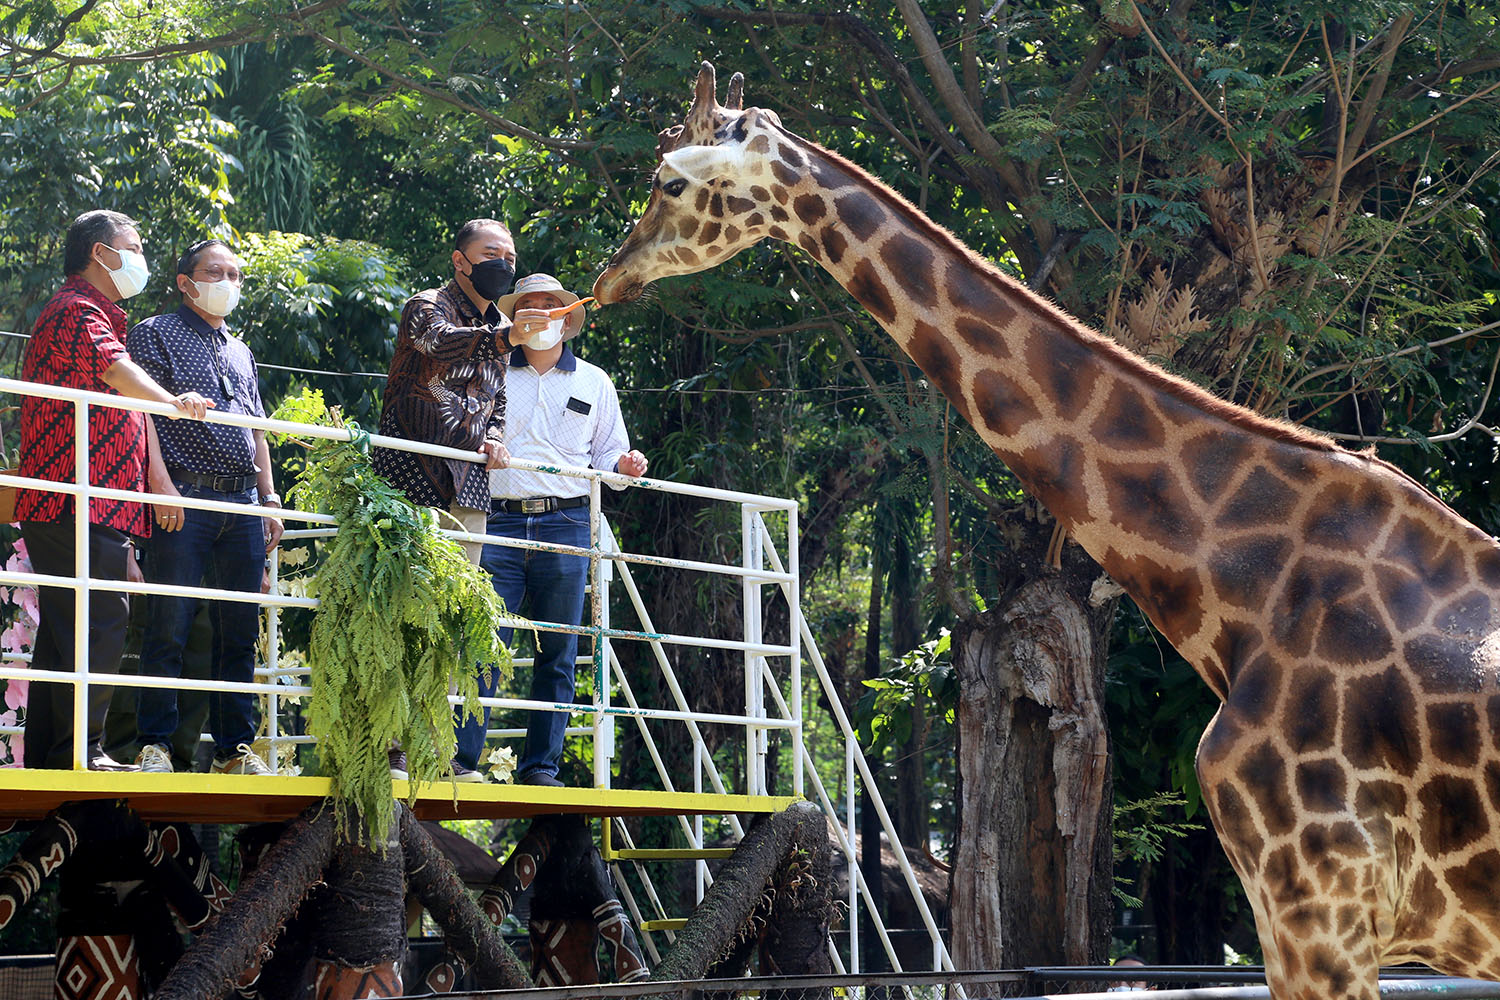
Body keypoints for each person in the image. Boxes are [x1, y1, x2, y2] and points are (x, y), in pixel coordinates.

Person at [14, 209, 211, 771]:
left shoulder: (91, 312)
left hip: (86, 499)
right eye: (135, 244)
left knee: (65, 633)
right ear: (101, 253)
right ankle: (83, 751)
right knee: (99, 623)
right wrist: (175, 401)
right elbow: (120, 373)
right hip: (77, 497)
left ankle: (57, 755)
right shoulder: (77, 310)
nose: (141, 255)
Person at [475, 272, 648, 787]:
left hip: (568, 519)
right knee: (482, 643)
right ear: (514, 319)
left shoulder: (594, 381)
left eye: (552, 305)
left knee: (559, 652)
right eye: (528, 306)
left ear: (569, 317)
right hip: (498, 516)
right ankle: (460, 762)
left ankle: (540, 768)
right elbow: (464, 432)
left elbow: (608, 456)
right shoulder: (490, 372)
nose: (541, 314)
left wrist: (626, 464)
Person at [126, 239, 283, 776]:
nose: (229, 282)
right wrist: (161, 486)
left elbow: (257, 428)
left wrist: (269, 497)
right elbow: (141, 414)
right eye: (216, 272)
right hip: (184, 497)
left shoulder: (241, 349)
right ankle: (156, 746)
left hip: (242, 500)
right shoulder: (153, 333)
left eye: (236, 274)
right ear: (185, 282)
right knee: (168, 623)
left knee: (239, 630)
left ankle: (235, 750)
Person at [374, 219, 517, 781]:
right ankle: (390, 750)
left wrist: (498, 438)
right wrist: (509, 338)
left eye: (509, 254)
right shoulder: (424, 306)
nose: (501, 263)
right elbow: (439, 343)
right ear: (461, 260)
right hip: (411, 476)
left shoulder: (504, 327)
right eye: (490, 253)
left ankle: (437, 752)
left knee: (454, 623)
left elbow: (496, 399)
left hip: (472, 486)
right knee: (405, 614)